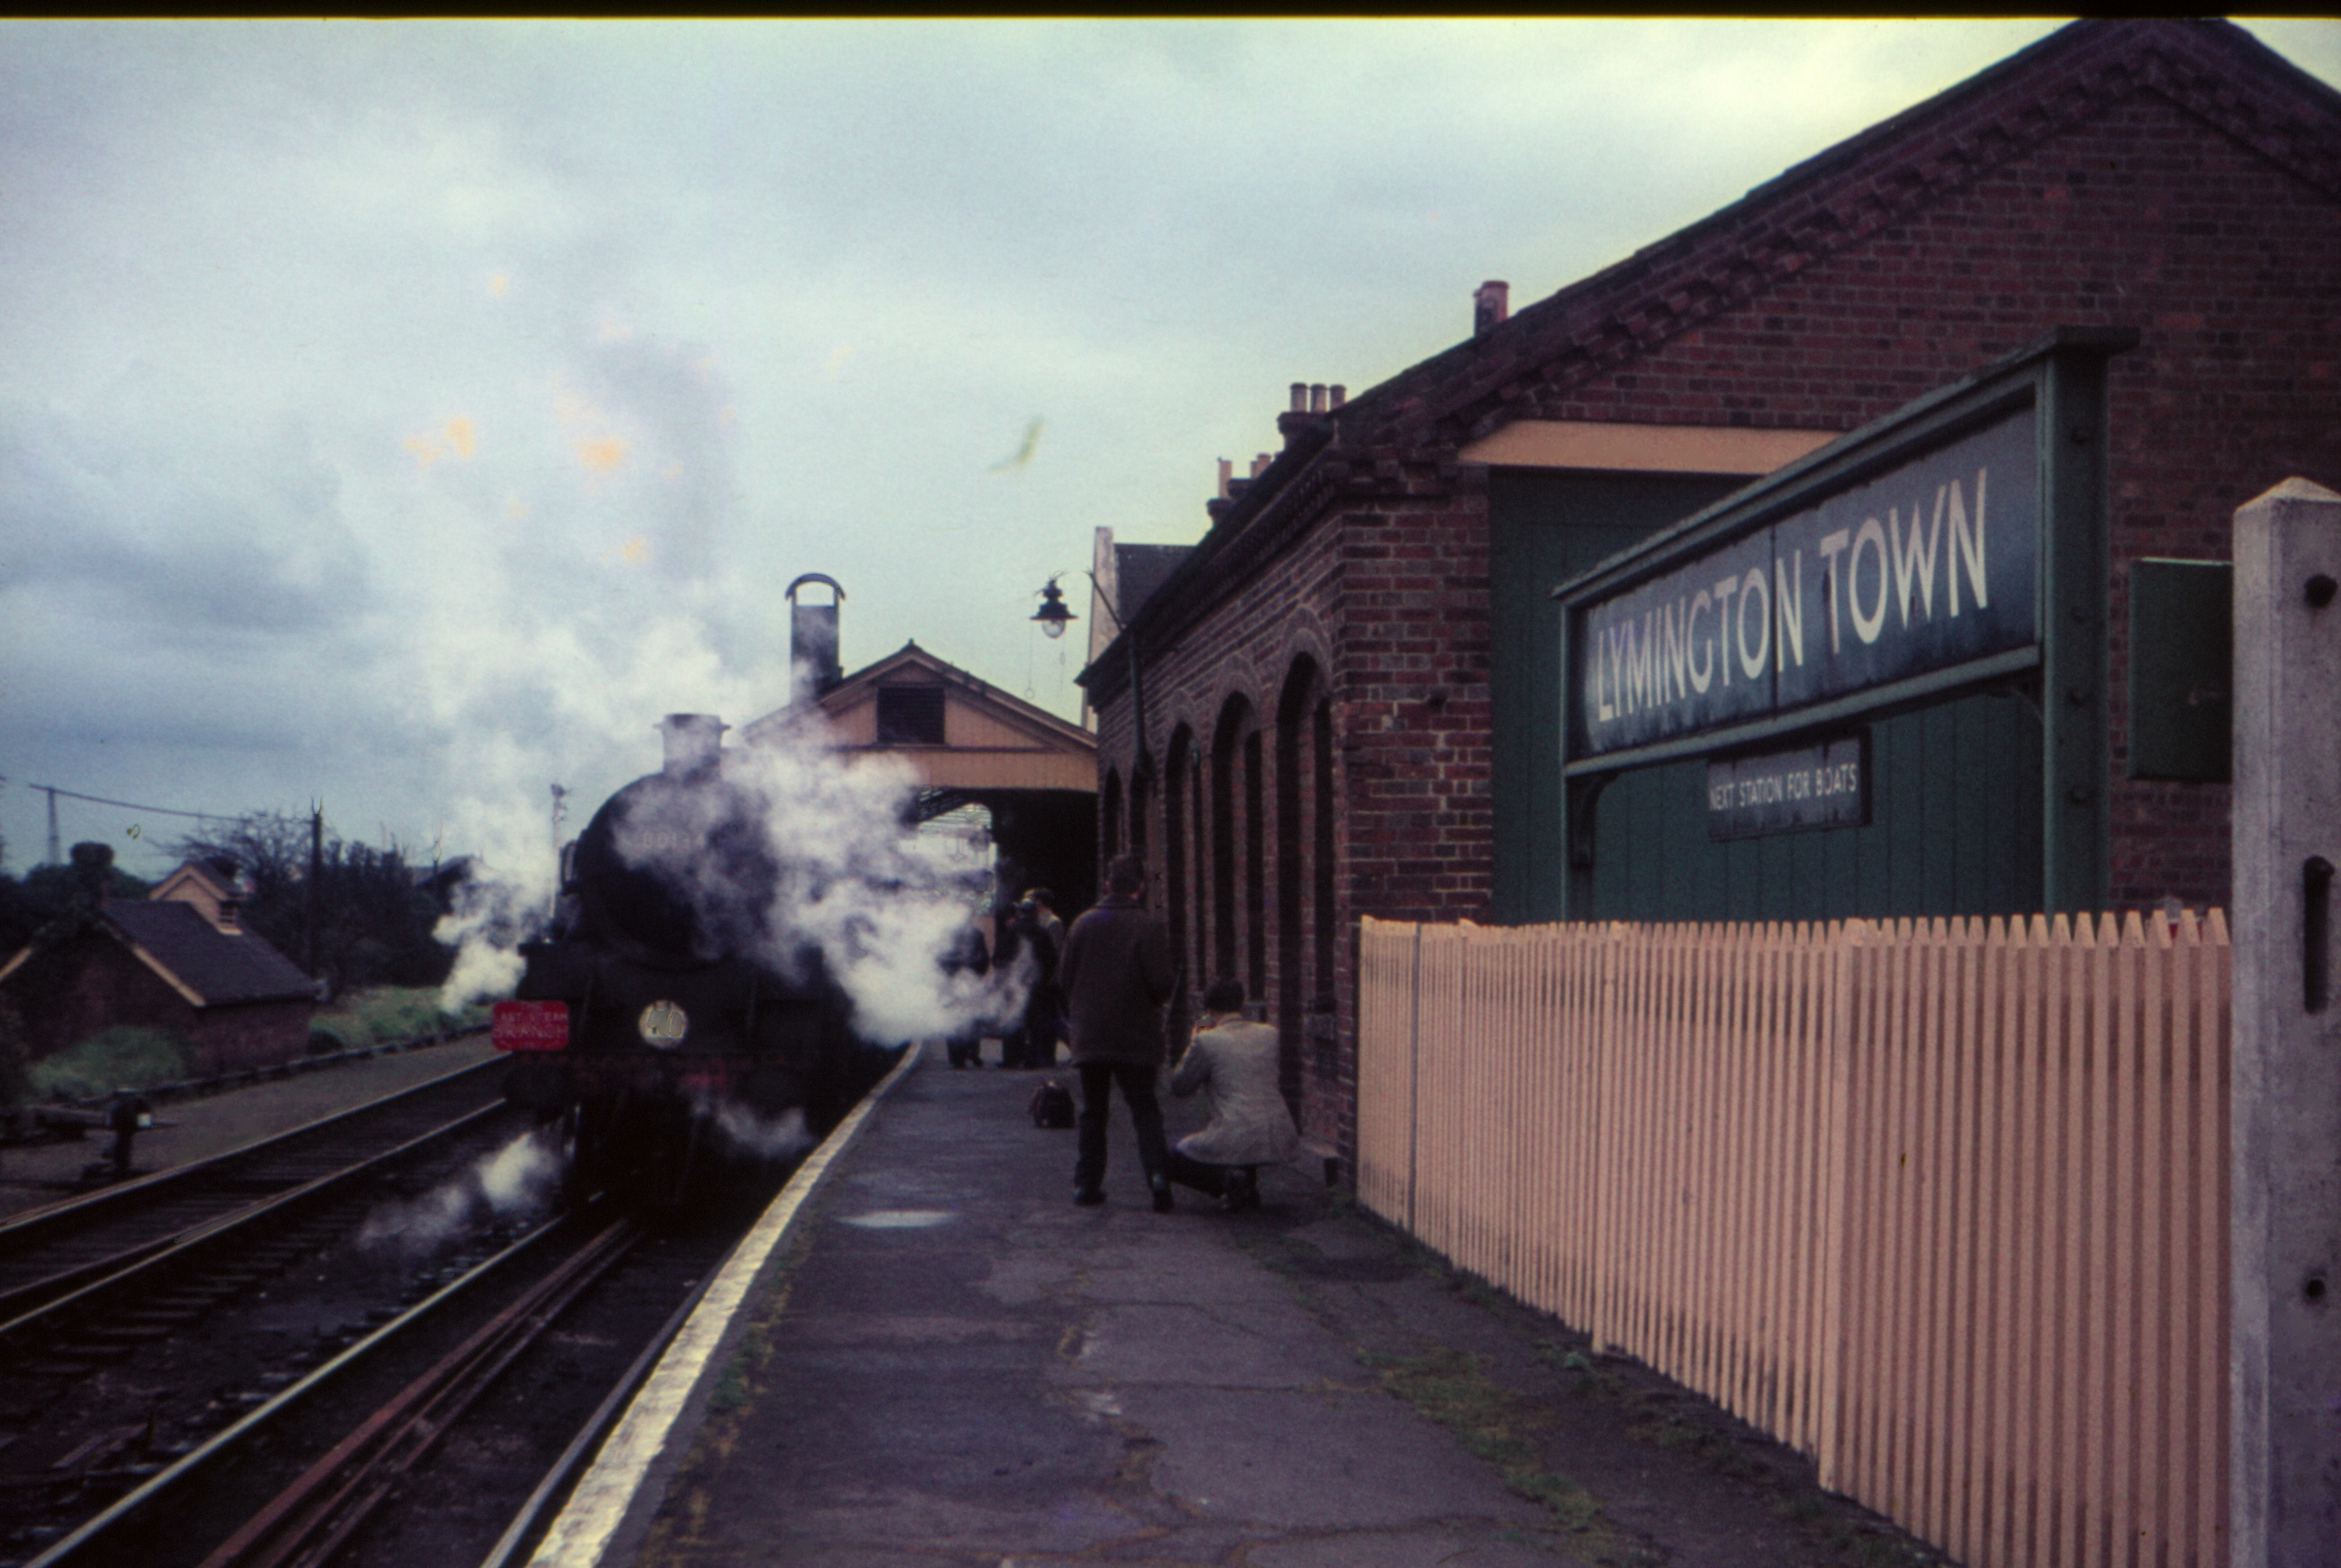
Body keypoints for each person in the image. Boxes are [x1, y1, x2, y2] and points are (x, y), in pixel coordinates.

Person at [1056, 854, 1176, 1209]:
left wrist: (1083, 1012)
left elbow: (1064, 979)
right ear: (1140, 886)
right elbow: (1162, 985)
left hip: (1091, 1036)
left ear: (1107, 884)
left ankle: (1086, 1185)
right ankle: (1158, 1180)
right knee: (1145, 1109)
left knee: (1093, 1112)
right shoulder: (1149, 927)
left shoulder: (1082, 924)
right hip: (1136, 1035)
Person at [1165, 979, 1300, 1212]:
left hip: (1236, 1133)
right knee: (1245, 1130)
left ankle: (1227, 1183)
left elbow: (1180, 1086)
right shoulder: (1270, 1034)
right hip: (1278, 1132)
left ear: (1210, 1011)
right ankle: (1245, 1185)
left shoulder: (1206, 1041)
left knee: (1171, 1160)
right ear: (1241, 1005)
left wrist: (1194, 1041)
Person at [939, 916, 991, 1068]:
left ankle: (957, 1056)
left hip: (953, 982)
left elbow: (941, 959)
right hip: (971, 981)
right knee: (972, 1017)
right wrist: (978, 976)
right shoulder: (977, 933)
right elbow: (984, 959)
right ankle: (972, 1050)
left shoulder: (948, 933)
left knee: (955, 1018)